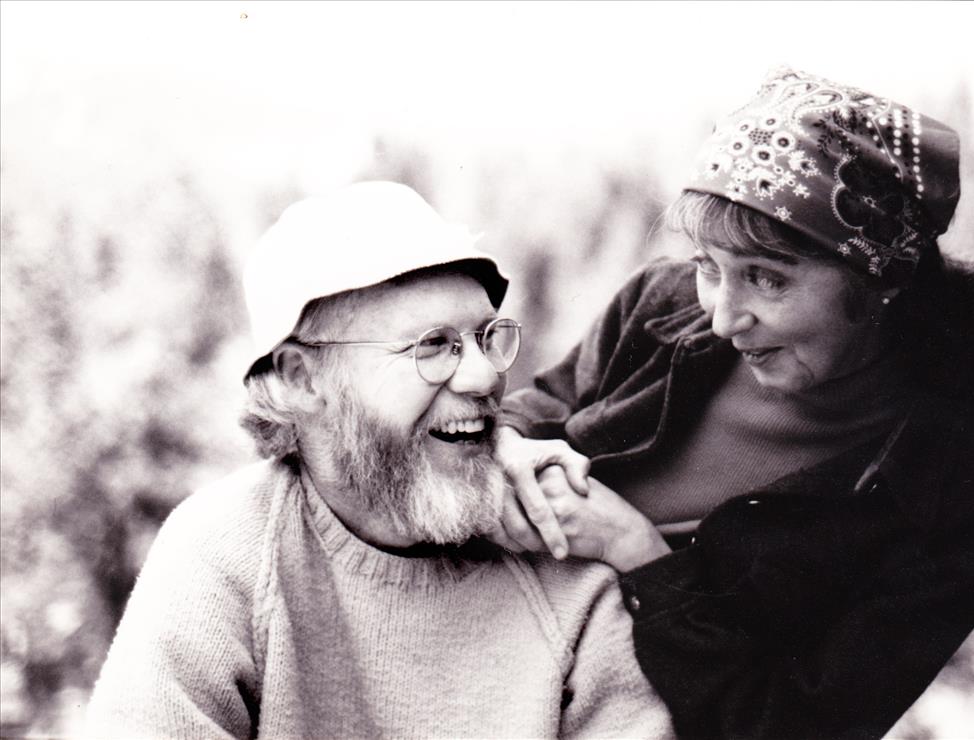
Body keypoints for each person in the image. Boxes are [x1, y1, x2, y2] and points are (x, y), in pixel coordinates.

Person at [494, 67, 974, 739]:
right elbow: (537, 410)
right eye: (708, 267)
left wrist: (642, 558)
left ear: (879, 282)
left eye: (765, 280)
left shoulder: (957, 499)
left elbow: (788, 725)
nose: (721, 318)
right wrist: (514, 450)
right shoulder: (660, 306)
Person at [85, 182, 673, 739]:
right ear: (300, 379)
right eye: (432, 346)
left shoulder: (562, 558)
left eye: (486, 337)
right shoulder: (225, 549)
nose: (485, 375)